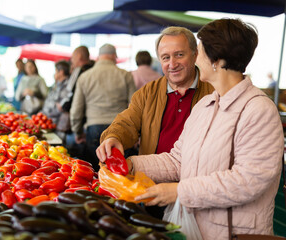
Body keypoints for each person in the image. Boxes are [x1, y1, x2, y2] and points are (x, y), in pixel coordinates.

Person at [114, 19, 283, 240]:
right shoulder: (206, 105)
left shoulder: (258, 109)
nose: (196, 58)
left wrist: (178, 191)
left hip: (233, 233)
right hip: (193, 228)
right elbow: (178, 160)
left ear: (218, 60)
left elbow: (248, 180)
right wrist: (130, 165)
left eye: (200, 51)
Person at [97, 26, 214, 160]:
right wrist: (114, 136)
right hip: (151, 178)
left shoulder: (213, 91)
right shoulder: (147, 93)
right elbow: (127, 122)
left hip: (197, 177)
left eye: (179, 55)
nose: (172, 64)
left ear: (195, 55)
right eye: (165, 57)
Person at [70, 43, 136, 170]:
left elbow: (76, 109)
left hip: (93, 128)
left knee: (95, 171)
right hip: (119, 128)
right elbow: (134, 106)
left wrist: (77, 132)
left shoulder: (85, 76)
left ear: (99, 57)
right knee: (119, 171)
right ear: (113, 56)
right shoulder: (125, 75)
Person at [61, 46, 94, 159]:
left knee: (80, 161)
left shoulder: (79, 71)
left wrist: (77, 130)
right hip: (93, 120)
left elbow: (71, 98)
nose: (72, 60)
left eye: (73, 57)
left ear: (79, 56)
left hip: (81, 124)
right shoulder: (94, 70)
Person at [42, 60, 70, 142]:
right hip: (49, 123)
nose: (54, 74)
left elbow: (61, 107)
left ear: (61, 72)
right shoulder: (56, 85)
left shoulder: (67, 86)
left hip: (59, 125)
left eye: (55, 71)